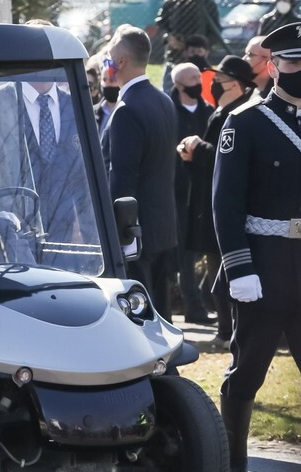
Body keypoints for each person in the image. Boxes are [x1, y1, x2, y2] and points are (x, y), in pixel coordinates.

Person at [212, 21, 301, 472]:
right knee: (249, 371)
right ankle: (234, 465)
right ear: (272, 66)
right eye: (293, 62)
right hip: (262, 269)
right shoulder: (244, 123)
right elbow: (225, 205)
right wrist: (239, 267)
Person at [0, 73, 92, 271]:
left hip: (64, 256)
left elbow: (86, 190)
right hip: (10, 254)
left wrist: (95, 254)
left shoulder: (76, 106)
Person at [178, 56, 257, 349]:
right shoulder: (221, 112)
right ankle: (227, 331)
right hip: (209, 205)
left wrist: (200, 149)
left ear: (236, 85)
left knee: (224, 277)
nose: (212, 85)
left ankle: (229, 333)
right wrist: (191, 155)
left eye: (220, 80)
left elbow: (230, 161)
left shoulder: (242, 114)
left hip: (229, 210)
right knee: (215, 275)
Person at [102, 25, 179, 318]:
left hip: (134, 233)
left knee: (140, 317)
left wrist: (117, 233)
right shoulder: (163, 100)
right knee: (162, 313)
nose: (107, 64)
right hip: (162, 227)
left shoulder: (127, 109)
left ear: (120, 62)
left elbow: (122, 177)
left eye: (109, 57)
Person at [170, 62, 214, 324]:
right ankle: (193, 306)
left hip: (202, 188)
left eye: (199, 76)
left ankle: (208, 298)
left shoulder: (209, 112)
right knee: (184, 251)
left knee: (206, 247)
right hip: (176, 189)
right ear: (178, 85)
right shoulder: (169, 110)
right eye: (192, 78)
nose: (198, 82)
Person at [154, 0, 223, 91]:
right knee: (169, 87)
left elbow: (216, 30)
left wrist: (204, 46)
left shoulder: (207, 3)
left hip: (198, 55)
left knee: (201, 87)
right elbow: (161, 23)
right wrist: (168, 38)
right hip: (174, 53)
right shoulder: (172, 1)